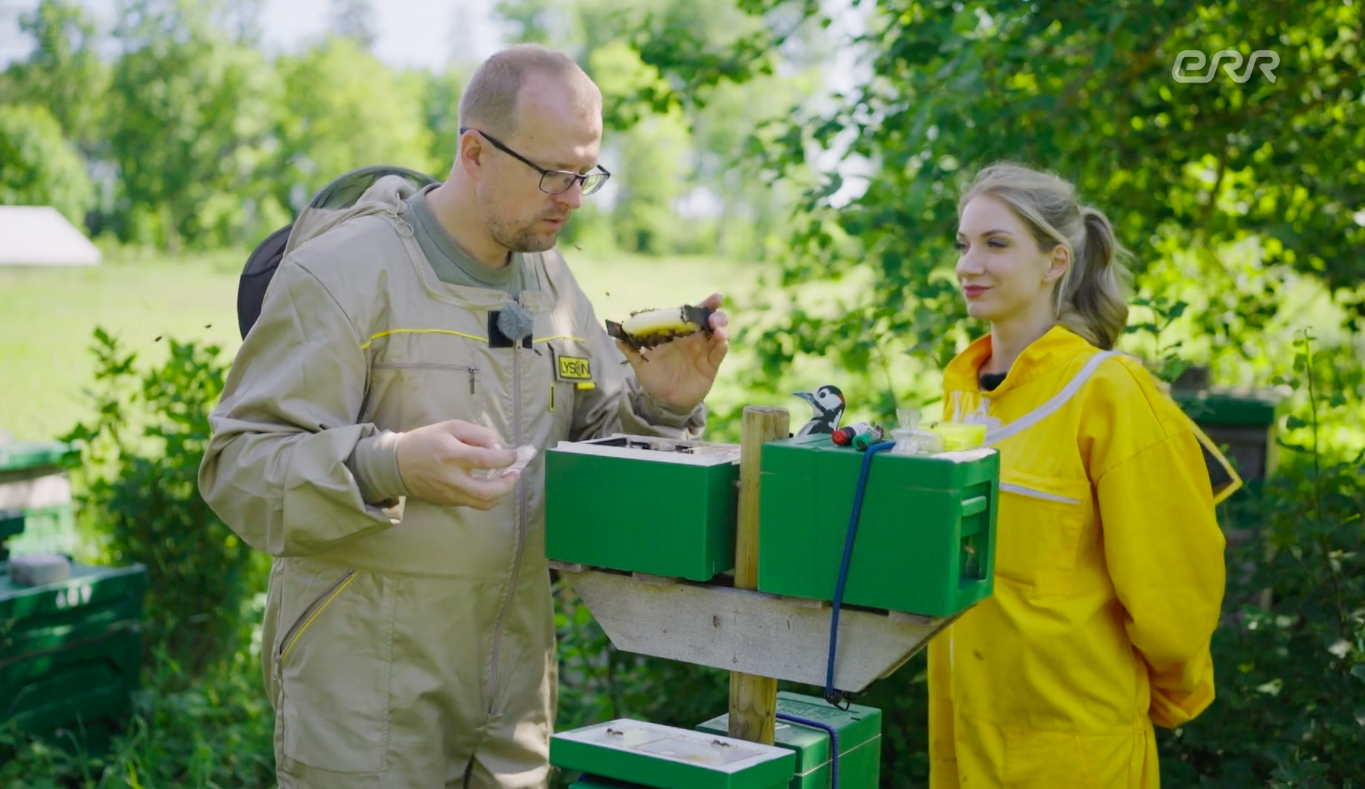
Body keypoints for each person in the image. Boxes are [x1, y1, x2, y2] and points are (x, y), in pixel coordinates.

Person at [198, 44, 730, 789]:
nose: (572, 198)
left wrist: (662, 407)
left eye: (586, 175)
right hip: (363, 705)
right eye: (553, 173)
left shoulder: (550, 283)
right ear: (474, 151)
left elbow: (594, 459)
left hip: (513, 701)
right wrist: (389, 464)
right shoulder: (345, 271)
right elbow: (240, 467)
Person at [927, 161, 1241, 789]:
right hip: (963, 745)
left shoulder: (1109, 392)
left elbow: (1174, 592)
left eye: (996, 243)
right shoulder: (963, 399)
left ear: (1055, 261)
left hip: (1074, 752)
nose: (968, 265)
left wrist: (1167, 696)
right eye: (964, 244)